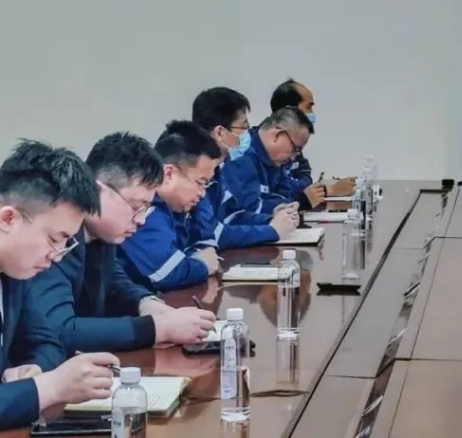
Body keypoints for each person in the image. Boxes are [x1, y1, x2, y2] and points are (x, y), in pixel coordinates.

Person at [31, 132, 217, 355]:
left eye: (146, 209)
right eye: (137, 206)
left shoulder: (103, 235)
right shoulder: (55, 239)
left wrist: (146, 303)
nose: (141, 220)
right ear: (98, 191)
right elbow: (62, 331)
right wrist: (158, 329)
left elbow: (114, 281)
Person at [0, 140, 121, 430]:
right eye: (54, 239)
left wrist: (33, 371)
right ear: (8, 218)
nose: (56, 256)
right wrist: (49, 387)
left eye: (66, 244)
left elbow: (45, 341)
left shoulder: (14, 271)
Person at [118, 121, 222, 292]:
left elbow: (201, 238)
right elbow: (169, 273)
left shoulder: (175, 206)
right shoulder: (145, 209)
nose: (202, 194)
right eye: (200, 183)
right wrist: (203, 265)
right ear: (168, 174)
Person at [192, 87, 300, 248]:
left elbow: (232, 216)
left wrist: (271, 218)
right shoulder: (195, 173)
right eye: (243, 128)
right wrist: (271, 231)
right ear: (220, 133)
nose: (247, 135)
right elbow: (213, 234)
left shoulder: (218, 168)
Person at [219, 107, 321, 216]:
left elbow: (285, 195)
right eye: (295, 149)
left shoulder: (275, 161)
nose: (292, 158)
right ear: (277, 135)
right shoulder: (241, 157)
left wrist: (293, 204)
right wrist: (298, 204)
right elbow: (246, 211)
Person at [269, 79, 355, 203]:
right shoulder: (272, 145)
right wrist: (327, 190)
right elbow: (281, 190)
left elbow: (304, 172)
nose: (312, 113)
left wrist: (307, 190)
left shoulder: (293, 141)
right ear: (290, 110)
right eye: (308, 107)